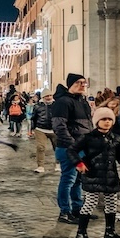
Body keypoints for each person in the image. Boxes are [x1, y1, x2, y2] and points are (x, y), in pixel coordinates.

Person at [67, 107, 120, 238]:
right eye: (103, 119)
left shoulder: (116, 138)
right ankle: (81, 233)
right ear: (97, 121)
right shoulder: (87, 138)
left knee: (112, 204)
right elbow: (71, 150)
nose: (107, 122)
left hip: (110, 176)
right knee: (90, 203)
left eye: (110, 119)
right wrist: (79, 163)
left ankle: (110, 231)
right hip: (92, 175)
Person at [51, 73, 93, 222]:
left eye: (84, 83)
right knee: (68, 179)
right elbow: (59, 126)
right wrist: (73, 144)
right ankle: (65, 211)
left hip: (82, 146)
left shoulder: (83, 101)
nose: (82, 85)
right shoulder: (63, 102)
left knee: (78, 180)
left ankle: (77, 208)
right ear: (70, 85)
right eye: (78, 83)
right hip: (69, 148)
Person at [31, 92, 55, 173]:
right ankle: (40, 166)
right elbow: (33, 117)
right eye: (47, 95)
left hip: (55, 130)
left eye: (50, 95)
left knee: (58, 148)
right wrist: (33, 128)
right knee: (40, 147)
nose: (49, 97)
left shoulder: (57, 105)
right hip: (40, 129)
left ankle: (58, 164)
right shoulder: (37, 106)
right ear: (43, 97)